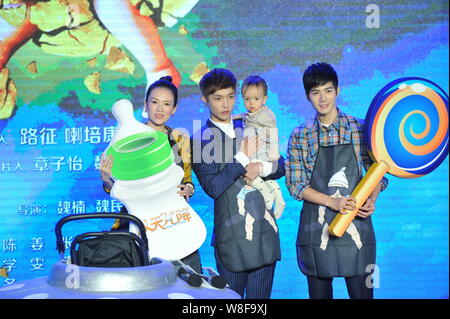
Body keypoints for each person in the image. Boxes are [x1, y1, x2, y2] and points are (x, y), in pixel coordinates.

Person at [285, 62, 388, 299]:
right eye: (316, 92)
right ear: (307, 96)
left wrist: (371, 198)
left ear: (338, 90)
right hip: (316, 227)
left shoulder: (360, 128)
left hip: (356, 222)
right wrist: (333, 203)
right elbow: (296, 185)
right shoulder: (300, 134)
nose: (323, 99)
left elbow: (378, 173)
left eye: (328, 90)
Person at [191, 68, 285, 299]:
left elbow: (281, 165)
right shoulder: (199, 140)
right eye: (218, 98)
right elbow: (213, 187)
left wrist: (261, 168)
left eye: (231, 96)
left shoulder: (250, 123)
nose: (226, 104)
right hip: (231, 239)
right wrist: (243, 158)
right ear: (205, 99)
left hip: (264, 234)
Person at [99, 76, 201, 273]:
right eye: (154, 102)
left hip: (174, 218)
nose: (160, 109)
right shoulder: (127, 138)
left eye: (166, 104)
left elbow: (186, 177)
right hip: (138, 221)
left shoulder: (180, 138)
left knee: (190, 280)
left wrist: (189, 187)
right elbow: (116, 188)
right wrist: (105, 178)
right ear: (145, 104)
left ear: (174, 108)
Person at [238, 75, 286, 220]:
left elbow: (273, 133)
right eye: (247, 99)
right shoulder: (252, 114)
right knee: (266, 178)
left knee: (249, 175)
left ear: (264, 99)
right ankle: (277, 195)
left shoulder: (266, 115)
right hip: (255, 149)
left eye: (256, 99)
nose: (251, 103)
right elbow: (246, 117)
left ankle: (267, 195)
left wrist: (274, 154)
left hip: (262, 152)